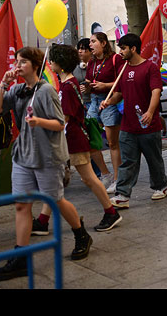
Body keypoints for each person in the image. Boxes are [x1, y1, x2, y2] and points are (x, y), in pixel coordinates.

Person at [0, 47, 92, 281]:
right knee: (21, 205)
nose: (18, 65)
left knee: (56, 199)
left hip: (47, 155)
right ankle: (21, 257)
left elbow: (59, 123)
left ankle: (81, 234)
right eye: (17, 61)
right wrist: (3, 85)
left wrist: (39, 121)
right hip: (23, 155)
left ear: (35, 66)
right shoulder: (16, 90)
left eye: (23, 62)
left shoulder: (46, 91)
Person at [31, 44, 122, 235]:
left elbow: (63, 119)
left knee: (89, 178)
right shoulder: (66, 85)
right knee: (55, 181)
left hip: (73, 140)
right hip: (67, 141)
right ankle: (42, 220)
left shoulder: (68, 87)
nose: (50, 64)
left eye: (53, 60)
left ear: (60, 64)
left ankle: (111, 212)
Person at [101, 33, 167, 208]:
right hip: (128, 125)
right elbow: (118, 94)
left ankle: (161, 186)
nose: (120, 52)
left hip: (148, 125)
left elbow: (156, 91)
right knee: (128, 161)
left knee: (154, 159)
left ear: (133, 48)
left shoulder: (150, 67)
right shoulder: (123, 69)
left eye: (123, 48)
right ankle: (123, 194)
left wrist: (150, 112)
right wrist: (108, 101)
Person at [82, 32, 124, 194]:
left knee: (113, 143)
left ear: (104, 43)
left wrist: (105, 86)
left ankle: (117, 178)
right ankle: (104, 173)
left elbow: (121, 80)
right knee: (90, 138)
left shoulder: (115, 59)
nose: (90, 45)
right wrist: (86, 86)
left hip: (110, 101)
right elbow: (89, 81)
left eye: (93, 42)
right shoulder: (92, 62)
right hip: (93, 101)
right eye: (90, 42)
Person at [75, 38, 110, 184]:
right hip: (83, 105)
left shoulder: (98, 64)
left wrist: (91, 86)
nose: (81, 51)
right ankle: (98, 172)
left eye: (85, 48)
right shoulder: (75, 67)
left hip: (99, 102)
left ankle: (107, 173)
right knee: (90, 140)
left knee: (105, 140)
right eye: (80, 49)